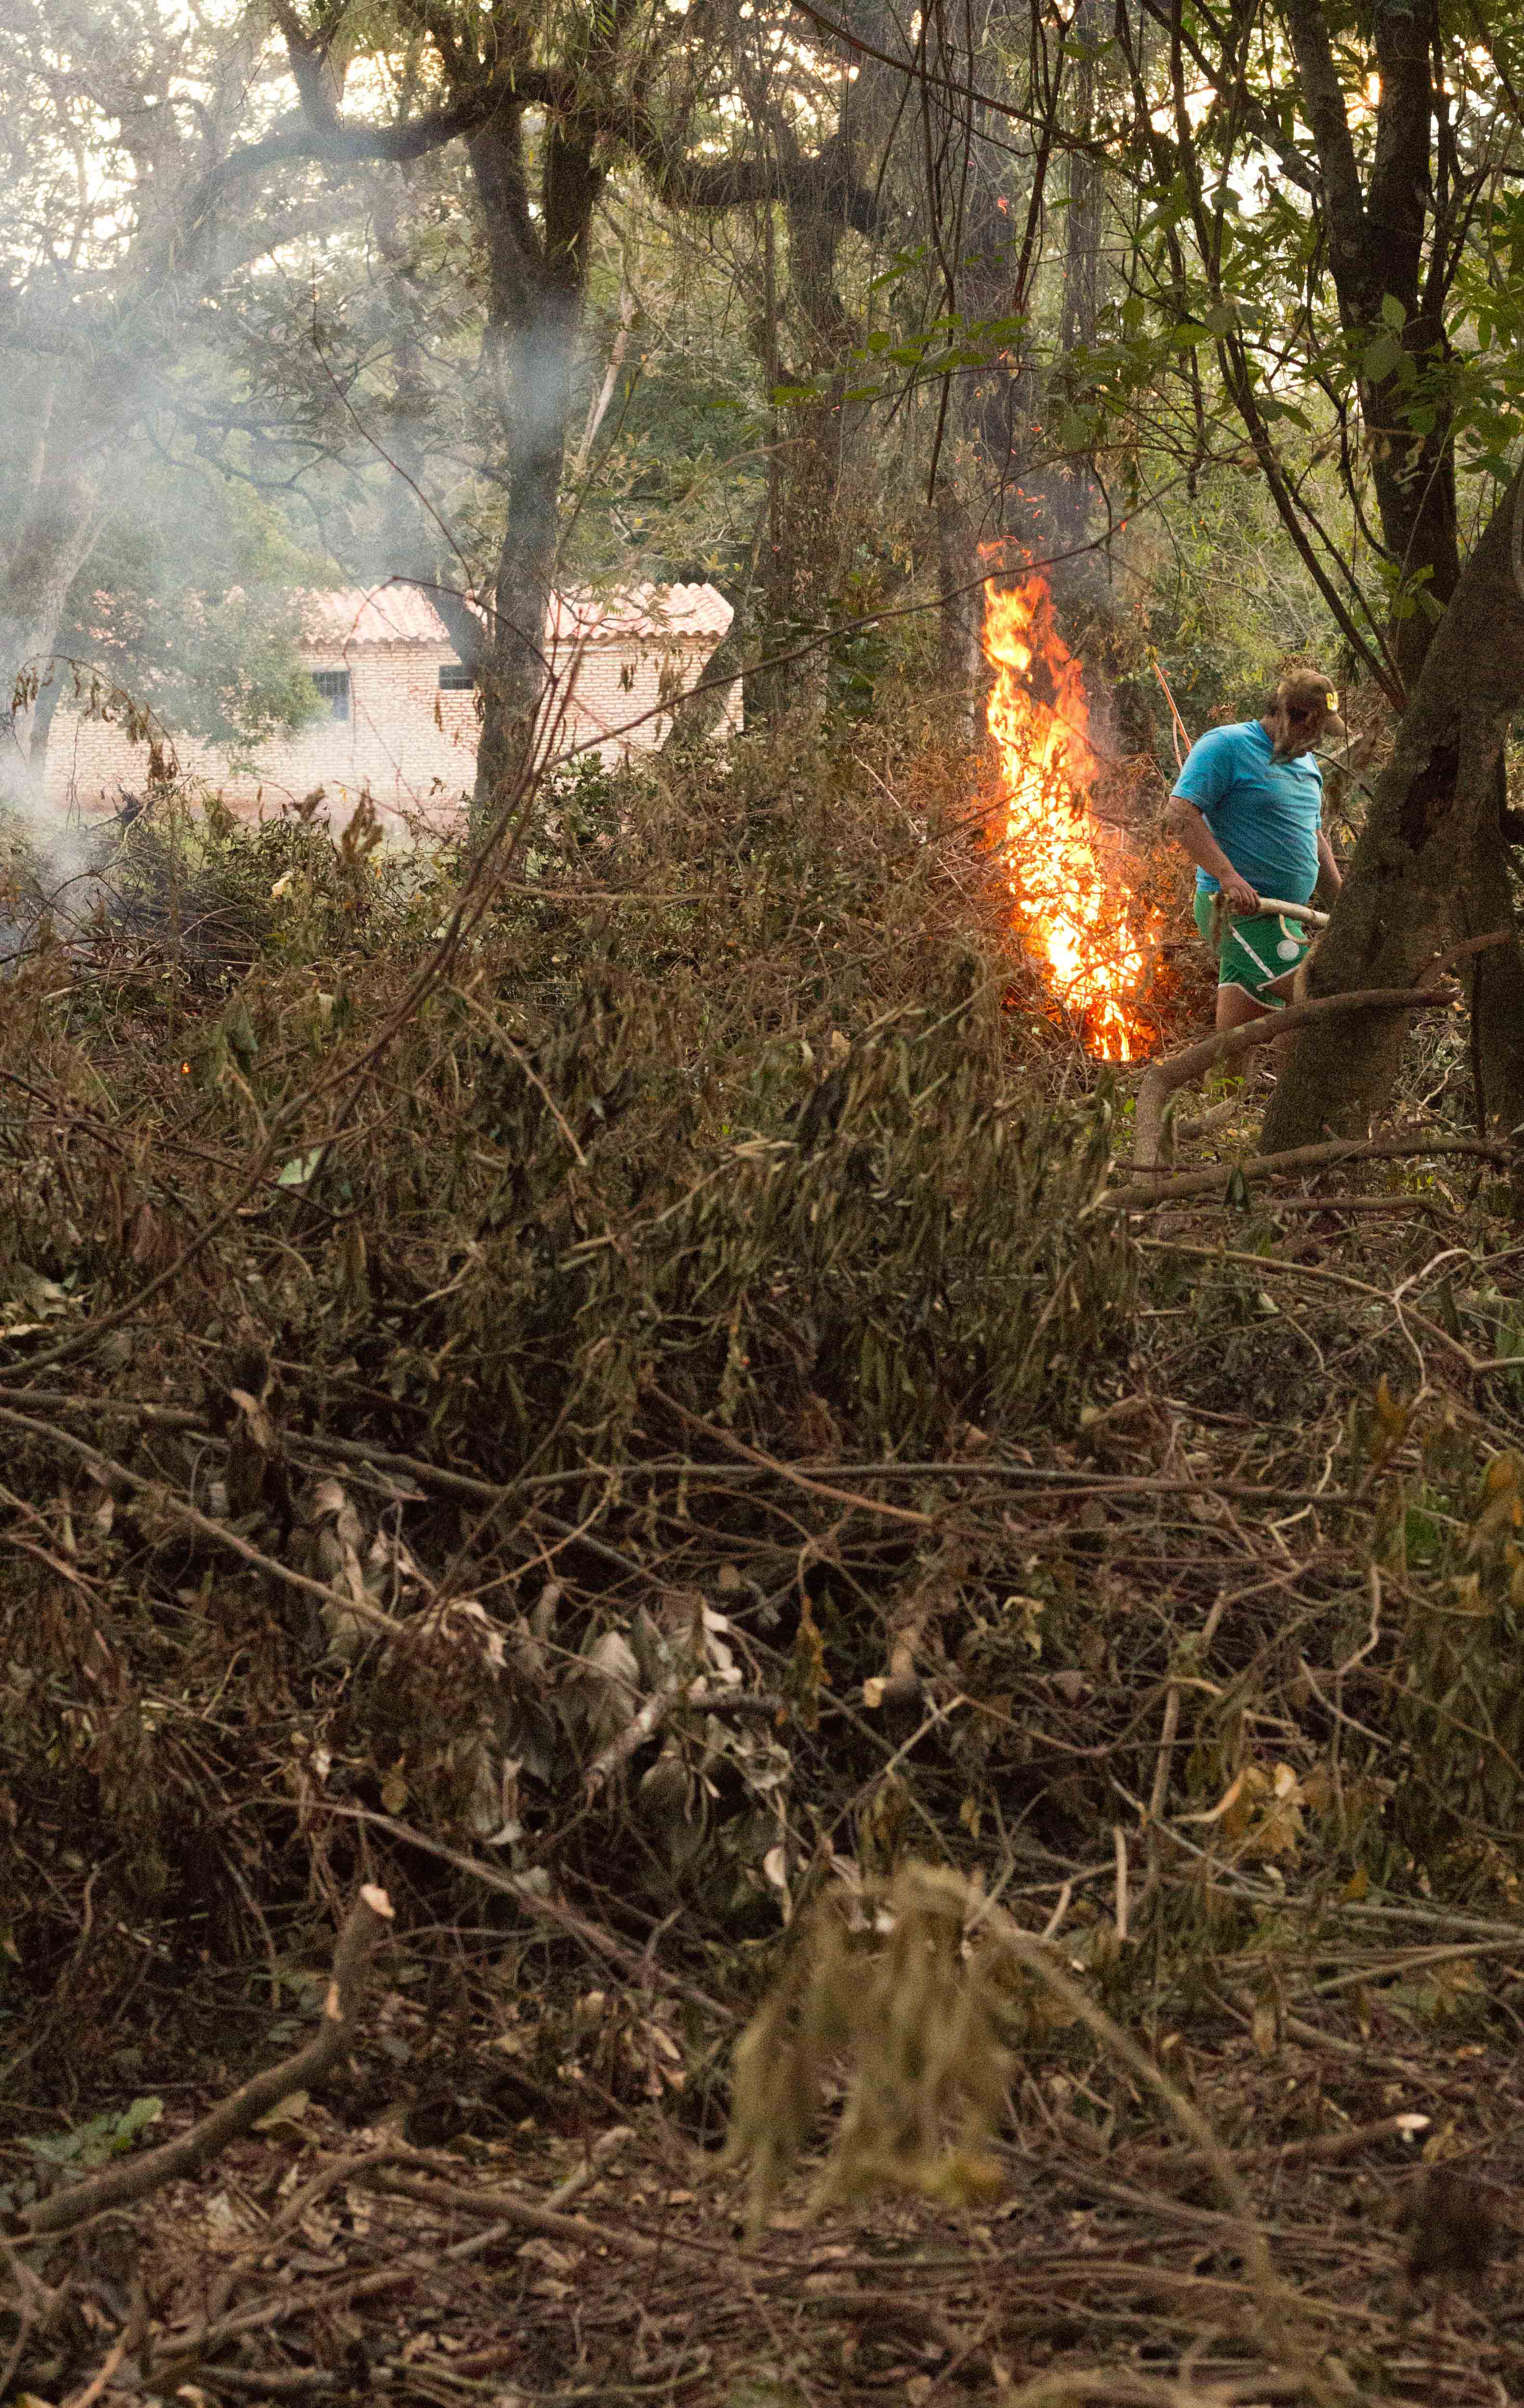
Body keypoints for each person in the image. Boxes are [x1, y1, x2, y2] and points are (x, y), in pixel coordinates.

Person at [1164, 667, 1347, 1034]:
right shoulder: (1226, 745)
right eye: (1311, 729)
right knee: (1317, 1001)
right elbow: (1179, 815)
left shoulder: (1307, 765)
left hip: (1287, 916)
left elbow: (1315, 839)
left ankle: (1221, 1094)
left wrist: (1343, 901)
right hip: (1240, 912)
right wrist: (1227, 876)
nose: (1315, 741)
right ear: (1283, 713)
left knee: (1239, 1040)